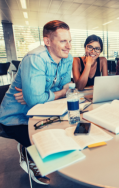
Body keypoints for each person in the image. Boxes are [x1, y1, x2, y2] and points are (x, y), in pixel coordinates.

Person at [0, 20, 73, 185]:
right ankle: (28, 153)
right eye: (63, 41)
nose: (68, 46)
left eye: (69, 41)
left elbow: (65, 90)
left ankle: (28, 146)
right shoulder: (35, 59)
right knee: (46, 141)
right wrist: (59, 92)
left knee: (68, 132)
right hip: (16, 117)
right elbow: (38, 100)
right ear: (47, 41)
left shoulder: (67, 58)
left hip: (44, 112)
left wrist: (41, 95)